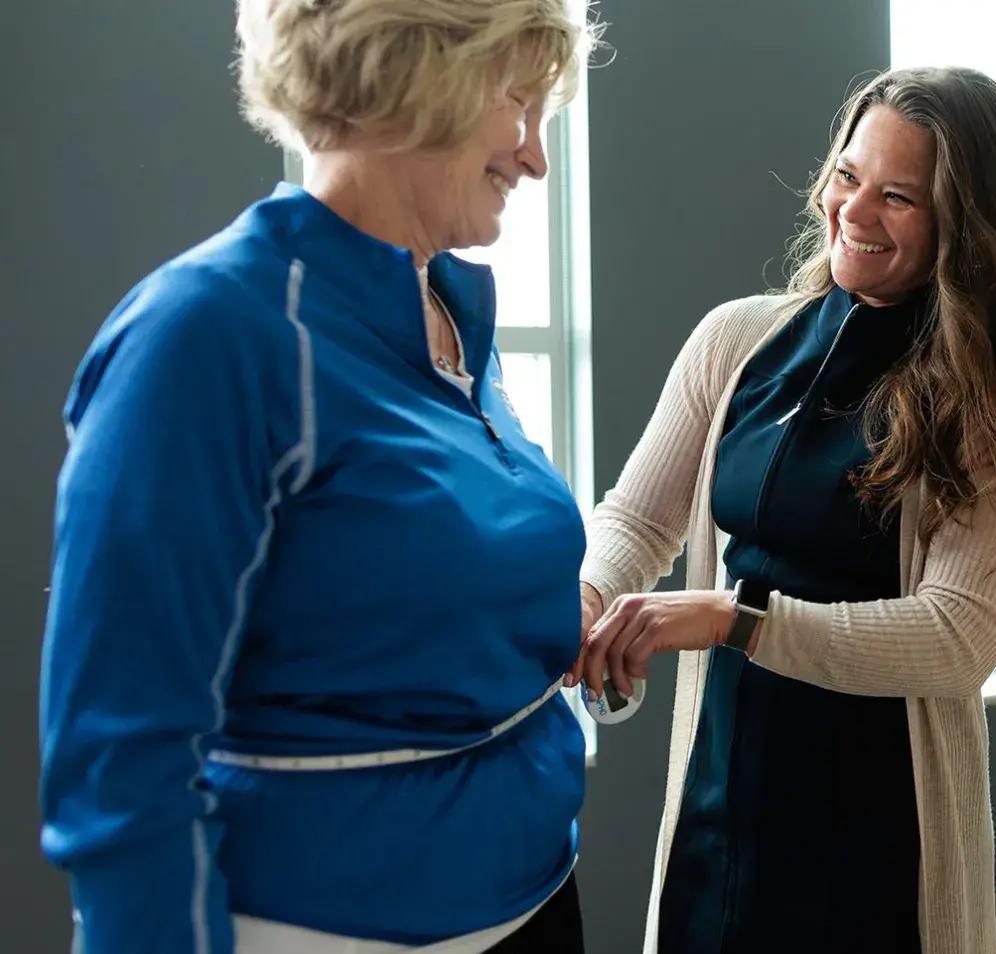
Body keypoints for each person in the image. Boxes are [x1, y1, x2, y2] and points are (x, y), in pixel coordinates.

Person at [39, 2, 599, 953]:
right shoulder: (207, 332)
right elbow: (119, 756)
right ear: (418, 74)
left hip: (538, 901)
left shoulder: (448, 309)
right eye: (520, 101)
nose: (536, 157)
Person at [574, 67, 996, 953]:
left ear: (965, 223)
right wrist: (582, 598)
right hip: (722, 782)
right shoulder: (735, 340)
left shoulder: (991, 403)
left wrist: (738, 621)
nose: (854, 211)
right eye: (848, 176)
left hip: (883, 818)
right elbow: (637, 518)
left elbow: (956, 639)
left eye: (899, 197)